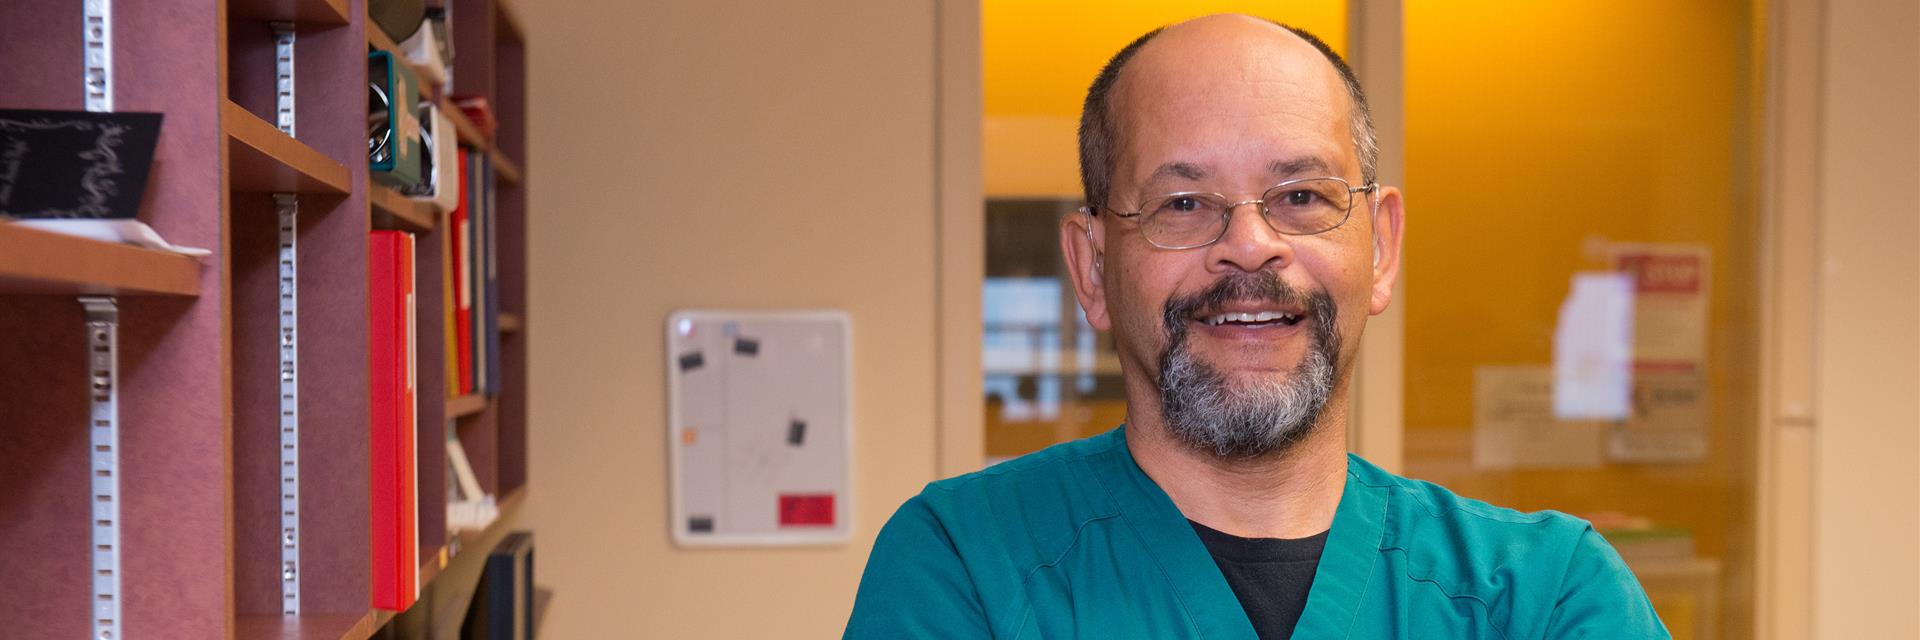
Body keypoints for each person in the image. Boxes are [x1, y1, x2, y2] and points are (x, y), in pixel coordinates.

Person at [845, 14, 1667, 639]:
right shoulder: (965, 568)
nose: (1249, 246)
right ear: (1092, 267)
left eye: (1301, 197)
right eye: (1183, 203)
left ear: (1380, 249)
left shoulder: (1541, 595)